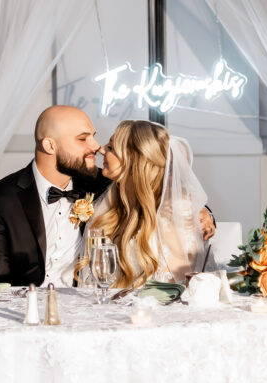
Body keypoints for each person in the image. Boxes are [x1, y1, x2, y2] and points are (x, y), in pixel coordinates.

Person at [0, 105, 108, 286]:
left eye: (93, 136)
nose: (96, 146)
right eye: (82, 138)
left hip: (87, 305)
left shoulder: (104, 187)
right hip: (24, 309)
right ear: (50, 145)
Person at [81, 119, 215, 288]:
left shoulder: (175, 212)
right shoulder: (109, 203)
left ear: (134, 159)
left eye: (111, 148)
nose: (101, 149)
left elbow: (178, 288)